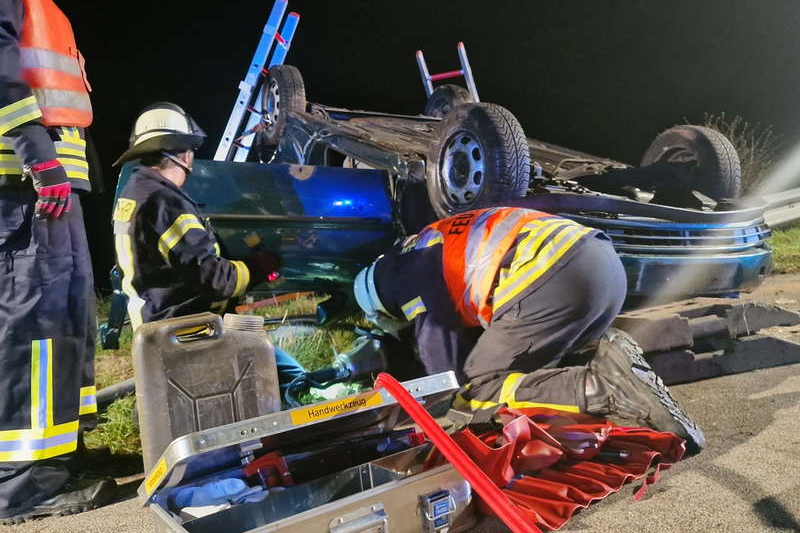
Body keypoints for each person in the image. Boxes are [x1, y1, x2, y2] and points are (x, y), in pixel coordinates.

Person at [354, 206, 706, 452]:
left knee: (478, 389)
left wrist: (432, 413)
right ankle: (605, 355)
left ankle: (603, 388)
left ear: (379, 305)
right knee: (524, 367)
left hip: (553, 275)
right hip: (602, 265)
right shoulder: (432, 238)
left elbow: (441, 365)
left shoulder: (399, 275)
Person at [0, 0, 118, 523]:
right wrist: (36, 155)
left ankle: (60, 451)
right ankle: (23, 485)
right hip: (26, 186)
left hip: (51, 188)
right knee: (36, 329)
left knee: (70, 320)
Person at [112, 102, 305, 392]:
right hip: (188, 333)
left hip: (160, 326)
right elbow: (215, 280)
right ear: (183, 154)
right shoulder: (166, 203)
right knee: (293, 376)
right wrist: (257, 268)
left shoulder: (136, 192)